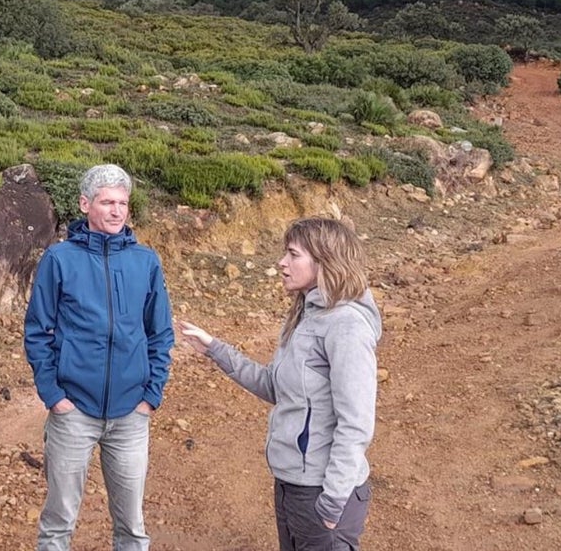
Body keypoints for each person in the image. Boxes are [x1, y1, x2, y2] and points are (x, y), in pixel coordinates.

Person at [179, 217, 381, 551]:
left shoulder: (346, 326)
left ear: (324, 261)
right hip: (293, 484)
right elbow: (275, 387)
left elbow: (356, 423)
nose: (282, 263)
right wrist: (215, 349)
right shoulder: (307, 315)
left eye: (293, 254)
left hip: (322, 491)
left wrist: (332, 501)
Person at [24, 163, 174, 551]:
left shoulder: (146, 261)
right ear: (84, 203)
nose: (116, 211)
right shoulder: (59, 259)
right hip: (73, 412)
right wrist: (54, 397)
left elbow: (159, 333)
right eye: (107, 202)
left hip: (130, 414)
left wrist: (150, 395)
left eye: (122, 203)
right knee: (59, 521)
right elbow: (38, 331)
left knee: (132, 526)